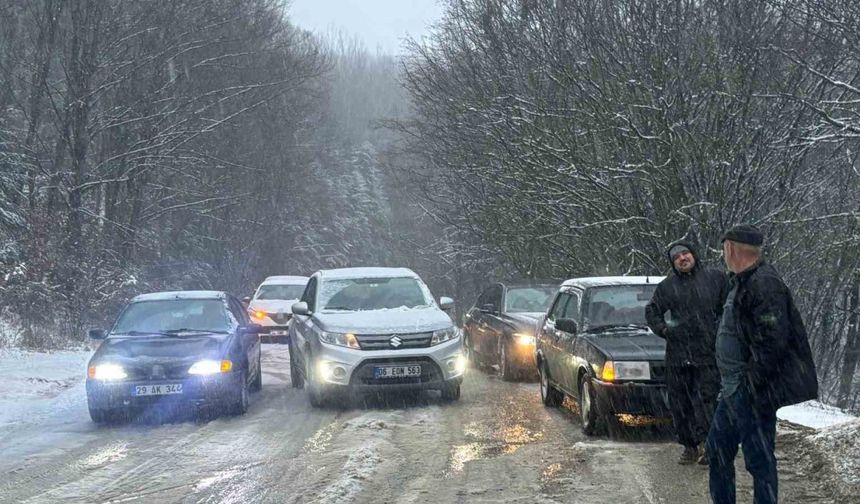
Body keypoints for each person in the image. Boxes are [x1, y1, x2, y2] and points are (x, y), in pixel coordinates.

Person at [706, 224, 818, 504]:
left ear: (730, 248)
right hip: (732, 390)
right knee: (717, 450)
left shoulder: (764, 283)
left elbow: (772, 342)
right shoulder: (742, 281)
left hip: (751, 391)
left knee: (759, 461)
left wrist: (751, 386)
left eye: (723, 249)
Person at [646, 241, 728, 465]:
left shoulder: (716, 279)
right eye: (676, 257)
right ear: (673, 264)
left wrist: (723, 332)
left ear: (694, 255)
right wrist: (663, 329)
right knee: (680, 404)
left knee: (707, 401)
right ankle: (689, 446)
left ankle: (709, 446)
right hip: (678, 356)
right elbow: (652, 310)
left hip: (708, 353)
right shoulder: (667, 287)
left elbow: (730, 307)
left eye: (685, 253)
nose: (682, 258)